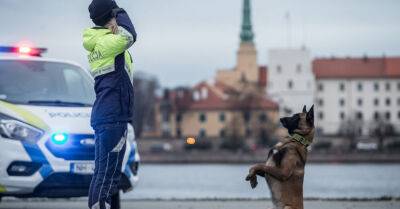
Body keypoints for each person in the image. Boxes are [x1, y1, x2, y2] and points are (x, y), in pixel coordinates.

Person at [83, 0, 137, 208]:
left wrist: (113, 16)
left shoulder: (101, 42)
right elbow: (130, 35)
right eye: (115, 15)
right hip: (112, 116)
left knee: (109, 177)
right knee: (105, 177)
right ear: (110, 17)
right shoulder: (106, 43)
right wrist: (119, 10)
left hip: (111, 116)